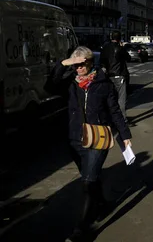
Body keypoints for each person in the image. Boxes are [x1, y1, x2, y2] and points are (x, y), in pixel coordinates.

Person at [53, 46, 132, 240]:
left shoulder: (103, 83)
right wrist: (64, 63)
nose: (79, 68)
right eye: (76, 65)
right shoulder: (69, 83)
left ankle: (82, 228)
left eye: (82, 64)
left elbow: (114, 111)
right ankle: (102, 203)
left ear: (90, 63)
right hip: (76, 139)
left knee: (88, 182)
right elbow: (51, 84)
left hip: (98, 138)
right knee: (91, 177)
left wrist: (124, 134)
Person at [100, 31, 130, 120]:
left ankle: (110, 117)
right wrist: (122, 47)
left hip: (108, 75)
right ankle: (122, 119)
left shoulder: (105, 48)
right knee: (121, 98)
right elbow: (128, 58)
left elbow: (102, 61)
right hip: (119, 74)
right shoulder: (120, 48)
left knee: (110, 97)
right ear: (119, 38)